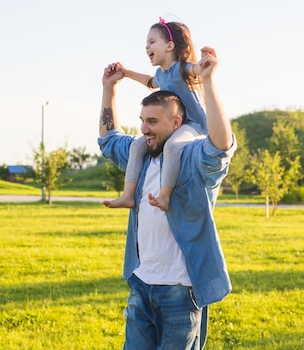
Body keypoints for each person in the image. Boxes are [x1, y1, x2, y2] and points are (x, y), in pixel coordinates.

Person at [98, 46, 236, 349]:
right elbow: (109, 140)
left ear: (176, 124)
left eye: (152, 122)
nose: (144, 129)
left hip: (181, 290)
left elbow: (220, 148)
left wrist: (209, 82)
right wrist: (109, 89)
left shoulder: (191, 158)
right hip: (141, 283)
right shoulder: (143, 155)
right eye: (142, 120)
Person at [103, 17, 206, 211]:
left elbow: (197, 69)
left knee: (172, 147)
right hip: (174, 124)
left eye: (152, 42)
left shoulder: (181, 68)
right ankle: (127, 196)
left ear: (169, 46)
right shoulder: (161, 73)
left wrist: (204, 64)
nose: (147, 47)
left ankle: (164, 197)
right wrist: (126, 72)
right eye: (146, 44)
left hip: (194, 124)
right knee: (136, 147)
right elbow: (151, 83)